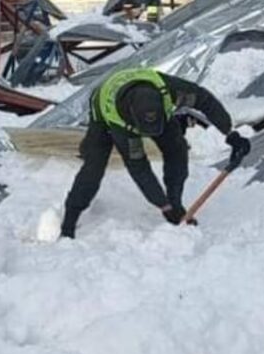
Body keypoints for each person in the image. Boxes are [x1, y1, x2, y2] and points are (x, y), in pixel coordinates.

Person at [60, 67, 253, 239]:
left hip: (155, 110)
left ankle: (176, 202)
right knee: (94, 166)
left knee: (177, 148)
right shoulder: (119, 121)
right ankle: (69, 223)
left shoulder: (170, 90)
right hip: (104, 110)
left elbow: (205, 100)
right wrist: (162, 204)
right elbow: (138, 167)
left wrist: (231, 133)